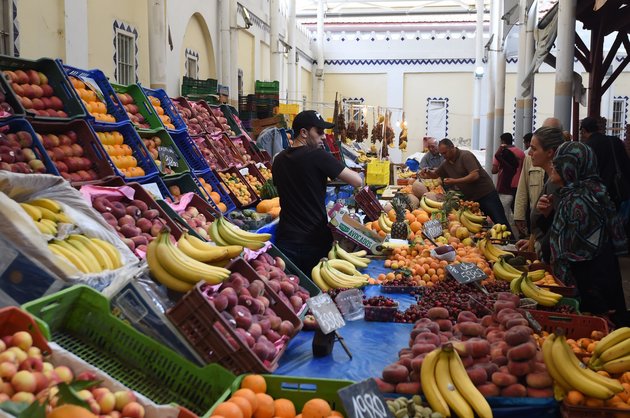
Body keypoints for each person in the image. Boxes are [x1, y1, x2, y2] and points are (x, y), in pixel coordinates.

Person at [272, 110, 363, 274]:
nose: (323, 136)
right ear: (304, 133)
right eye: (319, 132)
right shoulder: (317, 155)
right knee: (314, 293)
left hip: (286, 239)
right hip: (312, 240)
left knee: (291, 293)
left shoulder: (278, 160)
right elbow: (357, 181)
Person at [549, 141, 629, 326]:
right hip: (603, 283)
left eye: (559, 163)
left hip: (592, 293)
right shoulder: (591, 192)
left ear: (571, 168)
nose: (553, 166)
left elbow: (578, 257)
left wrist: (590, 302)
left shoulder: (579, 201)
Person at [420, 138, 509, 226]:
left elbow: (475, 175)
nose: (443, 156)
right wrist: (427, 172)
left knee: (500, 221)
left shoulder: (465, 156)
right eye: (441, 153)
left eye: (445, 153)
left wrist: (455, 181)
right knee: (481, 225)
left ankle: (512, 240)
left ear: (452, 147)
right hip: (473, 199)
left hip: (487, 194)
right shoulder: (446, 163)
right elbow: (435, 175)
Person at [514, 126, 565, 261]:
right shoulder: (551, 181)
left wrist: (539, 245)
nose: (530, 153)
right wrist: (533, 242)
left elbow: (560, 230)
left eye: (534, 149)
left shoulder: (559, 184)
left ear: (549, 152)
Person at [580, 116, 630, 210]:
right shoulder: (615, 141)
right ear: (598, 128)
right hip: (618, 193)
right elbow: (626, 166)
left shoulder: (586, 148)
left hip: (597, 197)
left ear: (583, 130)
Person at [492, 133, 525, 233]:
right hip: (516, 187)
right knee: (513, 213)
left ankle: (506, 235)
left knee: (502, 216)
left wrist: (501, 147)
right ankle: (517, 232)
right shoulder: (521, 154)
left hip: (505, 193)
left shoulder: (507, 166)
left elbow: (494, 166)